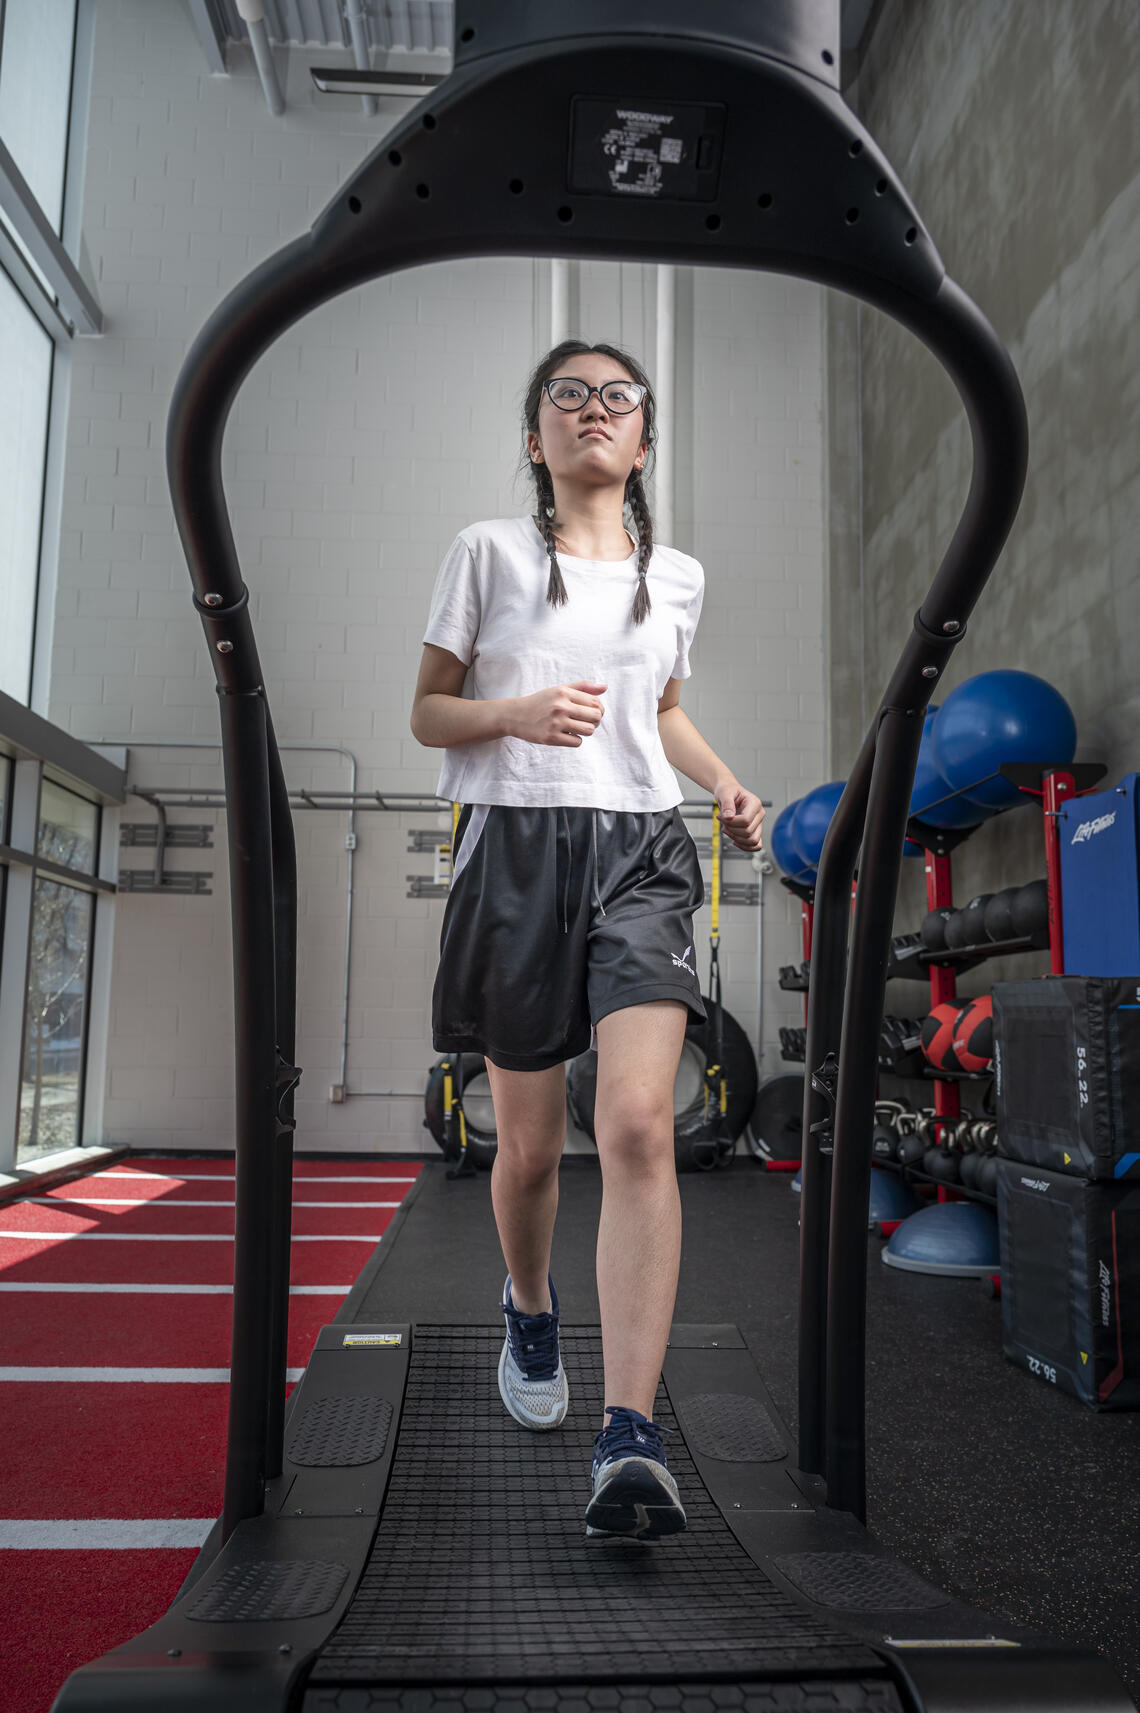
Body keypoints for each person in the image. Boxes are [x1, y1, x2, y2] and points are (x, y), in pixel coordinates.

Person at [410, 339, 765, 1539]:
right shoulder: (488, 551)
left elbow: (659, 711)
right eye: (569, 397)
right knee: (527, 1149)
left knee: (636, 1121)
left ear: (644, 439)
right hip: (515, 848)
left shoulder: (680, 577)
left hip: (642, 852)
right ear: (536, 437)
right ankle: (528, 1304)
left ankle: (629, 1437)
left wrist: (723, 781)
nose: (594, 412)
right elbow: (426, 712)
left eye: (618, 399)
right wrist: (513, 713)